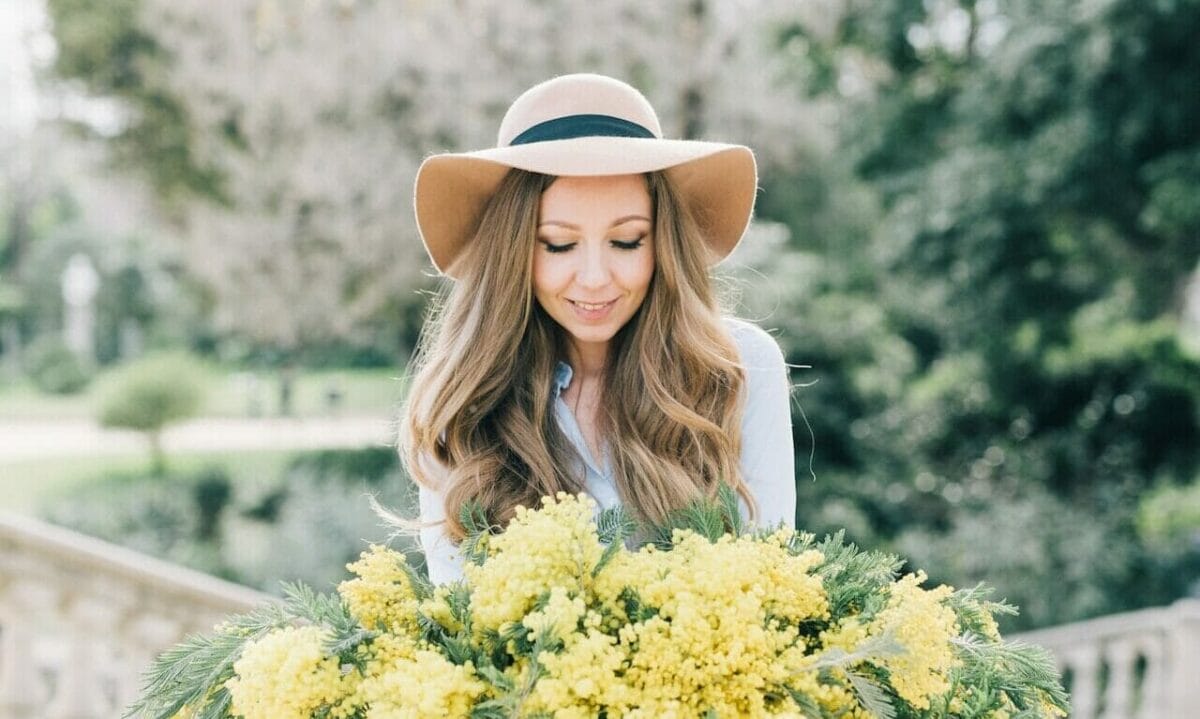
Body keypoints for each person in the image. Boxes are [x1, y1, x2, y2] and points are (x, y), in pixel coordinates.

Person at [402, 73, 795, 584]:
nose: (594, 279)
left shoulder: (739, 367)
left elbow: (772, 582)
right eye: (559, 245)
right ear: (514, 252)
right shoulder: (459, 400)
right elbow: (457, 612)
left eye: (627, 241)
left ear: (663, 245)